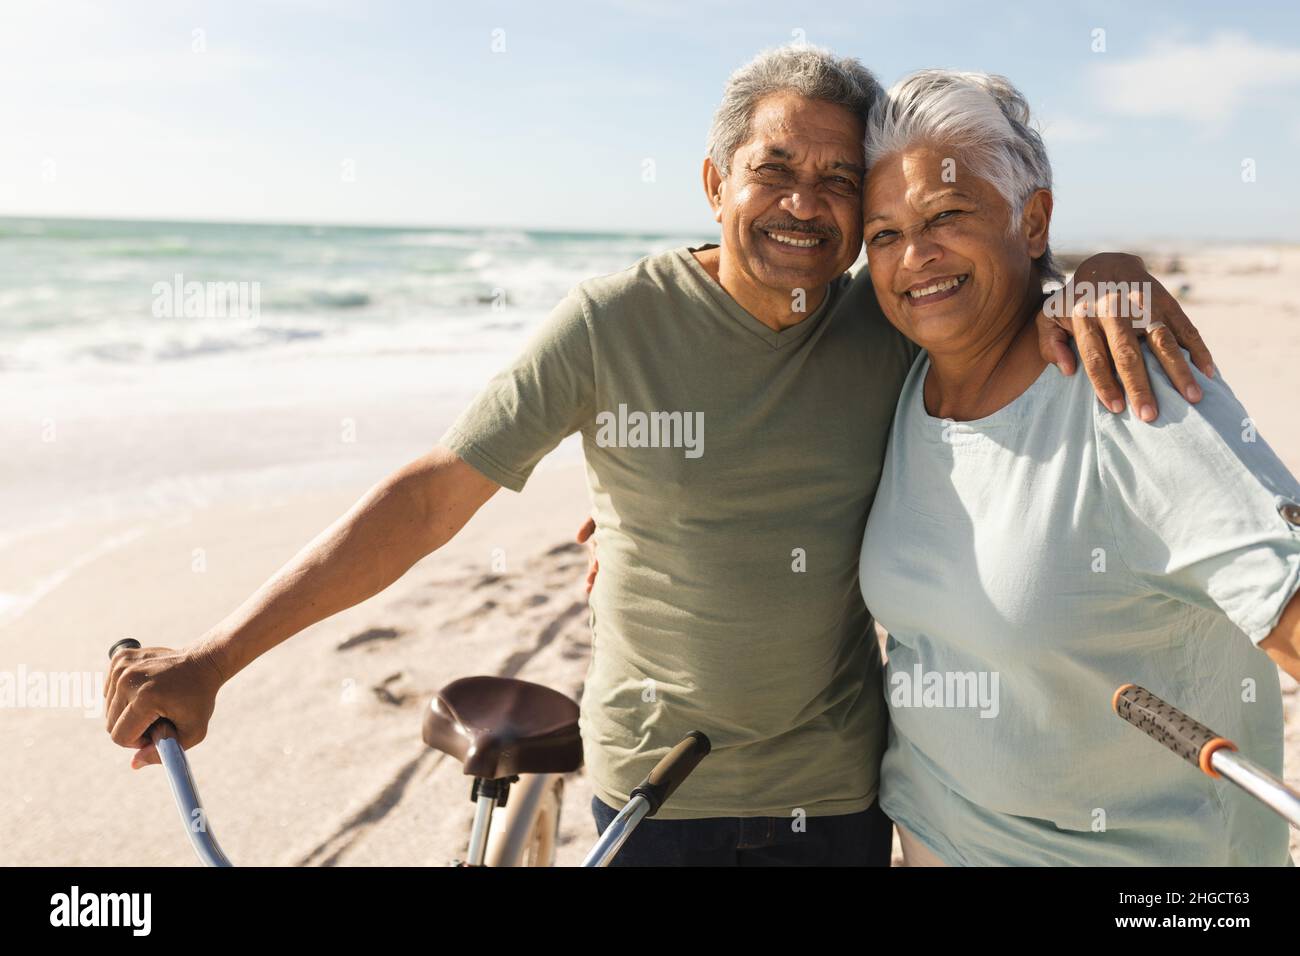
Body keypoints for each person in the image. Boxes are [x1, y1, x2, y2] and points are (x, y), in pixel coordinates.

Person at [105, 46, 1208, 867]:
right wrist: (214, 656)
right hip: (648, 785)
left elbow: (988, 269)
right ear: (713, 183)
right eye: (774, 171)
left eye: (837, 182)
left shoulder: (883, 315)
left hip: (834, 786)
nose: (805, 205)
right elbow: (434, 493)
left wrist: (1101, 268)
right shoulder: (609, 324)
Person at [857, 68, 1300, 866]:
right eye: (884, 233)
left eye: (948, 214)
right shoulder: (904, 373)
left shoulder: (1121, 382)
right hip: (926, 833)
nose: (914, 256)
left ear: (1034, 222)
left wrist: (1100, 275)